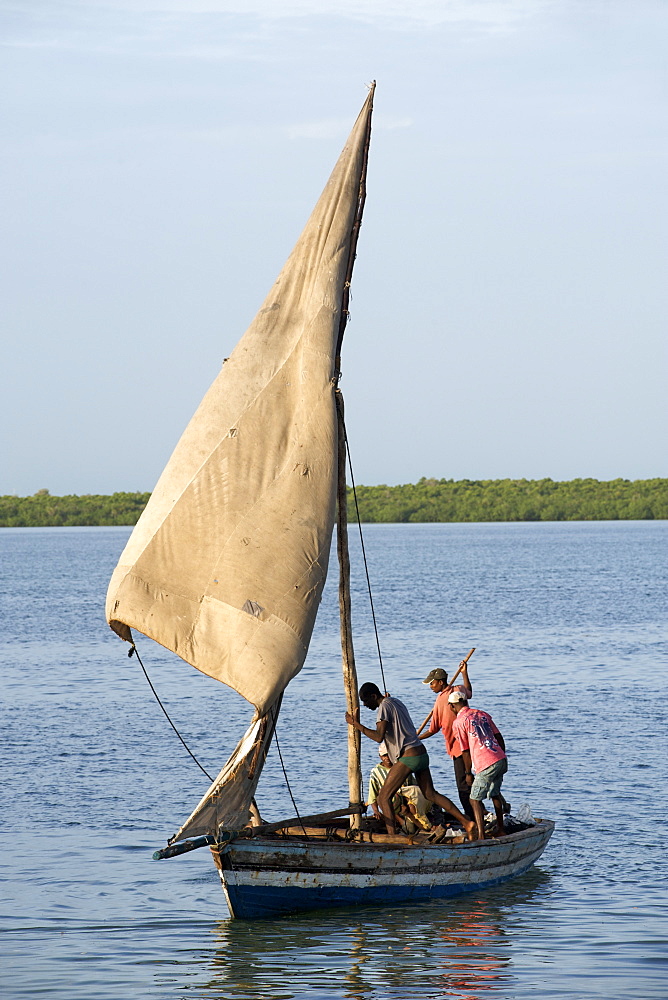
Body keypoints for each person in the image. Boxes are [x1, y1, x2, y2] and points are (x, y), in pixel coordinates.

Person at [345, 682, 476, 840]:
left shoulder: (383, 708)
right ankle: (467, 823)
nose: (365, 705)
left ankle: (392, 838)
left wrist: (356, 724)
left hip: (409, 756)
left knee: (383, 797)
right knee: (430, 794)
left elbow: (379, 737)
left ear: (374, 696)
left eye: (366, 701)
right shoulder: (395, 701)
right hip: (420, 752)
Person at [449, 691, 508, 840]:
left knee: (474, 799)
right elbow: (499, 737)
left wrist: (468, 773)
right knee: (494, 794)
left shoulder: (459, 722)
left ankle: (481, 836)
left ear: (452, 706)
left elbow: (466, 751)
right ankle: (501, 829)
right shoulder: (482, 714)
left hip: (485, 762)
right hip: (500, 759)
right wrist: (501, 755)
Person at [419, 661, 474, 819]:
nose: (430, 686)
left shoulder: (441, 701)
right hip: (471, 745)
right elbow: (469, 691)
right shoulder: (457, 689)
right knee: (471, 783)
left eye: (432, 683)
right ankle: (477, 814)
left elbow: (432, 729)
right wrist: (464, 673)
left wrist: (416, 738)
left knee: (463, 786)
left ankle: (472, 819)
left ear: (440, 682)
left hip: (459, 749)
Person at [367, 744, 432, 832]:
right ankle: (401, 822)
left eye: (389, 755)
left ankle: (425, 825)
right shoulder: (376, 772)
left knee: (418, 806)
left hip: (408, 802)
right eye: (384, 755)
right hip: (394, 806)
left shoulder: (402, 767)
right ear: (380, 757)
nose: (387, 758)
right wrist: (376, 811)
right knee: (384, 796)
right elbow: (373, 795)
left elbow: (414, 786)